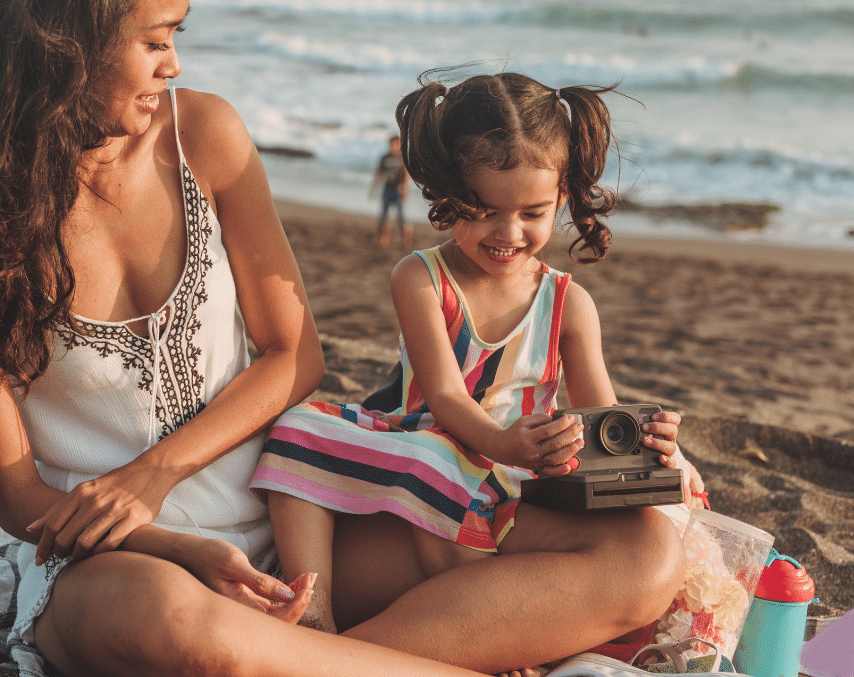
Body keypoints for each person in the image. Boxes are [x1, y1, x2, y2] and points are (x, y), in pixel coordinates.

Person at [0, 0, 496, 677]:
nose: (173, 63)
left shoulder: (206, 138)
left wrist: (155, 472)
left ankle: (302, 656)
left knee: (628, 560)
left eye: (177, 35)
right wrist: (172, 541)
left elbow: (297, 356)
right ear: (62, 39)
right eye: (154, 39)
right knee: (186, 633)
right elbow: (17, 497)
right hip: (115, 569)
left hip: (293, 517)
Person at [252, 72, 687, 667]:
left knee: (660, 514)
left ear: (561, 199)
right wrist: (505, 444)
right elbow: (447, 400)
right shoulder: (422, 277)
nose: (508, 234)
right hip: (429, 452)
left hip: (518, 481)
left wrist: (653, 444)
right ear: (448, 194)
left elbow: (598, 417)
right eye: (483, 211)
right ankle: (313, 609)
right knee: (298, 429)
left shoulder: (567, 304)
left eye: (531, 213)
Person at [373, 134, 413, 248]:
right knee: (384, 215)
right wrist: (375, 189)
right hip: (387, 188)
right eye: (391, 144)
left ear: (399, 145)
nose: (393, 147)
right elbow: (379, 173)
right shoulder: (385, 158)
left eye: (395, 144)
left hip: (398, 190)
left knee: (402, 216)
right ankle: (383, 238)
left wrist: (406, 190)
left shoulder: (402, 158)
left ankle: (406, 239)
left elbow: (406, 176)